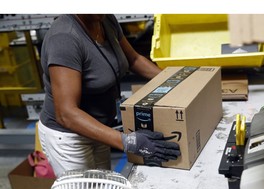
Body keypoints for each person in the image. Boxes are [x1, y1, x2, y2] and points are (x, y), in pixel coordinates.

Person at [38, 14, 181, 178]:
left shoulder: (105, 20)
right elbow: (66, 114)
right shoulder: (64, 39)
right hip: (70, 138)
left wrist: (174, 81)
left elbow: (133, 59)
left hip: (99, 128)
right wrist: (128, 142)